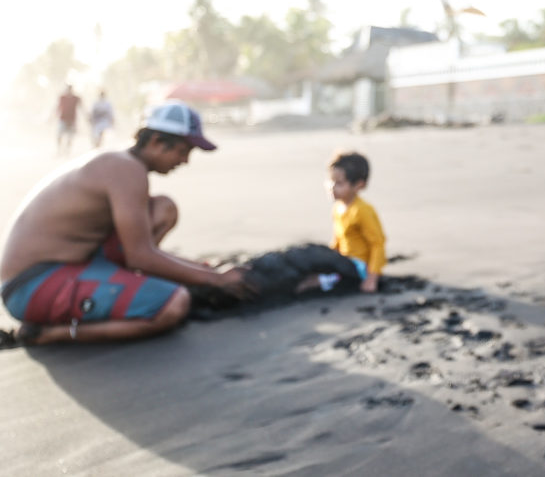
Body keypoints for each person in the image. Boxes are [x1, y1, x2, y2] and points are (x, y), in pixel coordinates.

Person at [1, 100, 253, 346]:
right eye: (183, 150)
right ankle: (46, 334)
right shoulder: (127, 171)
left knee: (163, 209)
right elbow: (141, 256)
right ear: (156, 142)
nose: (185, 160)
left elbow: (142, 249)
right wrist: (215, 280)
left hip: (73, 262)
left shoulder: (123, 163)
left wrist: (205, 270)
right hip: (31, 285)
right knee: (174, 303)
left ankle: (125, 284)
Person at [296, 151, 387, 295]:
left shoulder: (362, 210)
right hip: (343, 260)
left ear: (358, 185)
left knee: (328, 278)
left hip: (360, 266)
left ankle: (320, 281)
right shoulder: (338, 207)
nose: (332, 187)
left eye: (339, 183)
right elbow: (338, 239)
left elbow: (378, 244)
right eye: (331, 181)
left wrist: (372, 277)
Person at [56, 84, 81, 155]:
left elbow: (81, 107)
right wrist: (53, 117)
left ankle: (67, 151)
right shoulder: (62, 97)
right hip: (63, 119)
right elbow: (58, 107)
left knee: (70, 137)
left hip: (71, 120)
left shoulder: (76, 98)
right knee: (59, 135)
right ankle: (59, 150)